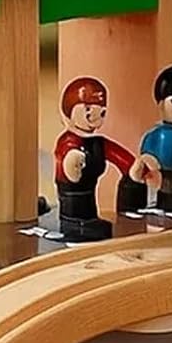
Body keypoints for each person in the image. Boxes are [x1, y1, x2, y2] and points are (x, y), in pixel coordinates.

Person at [53, 77, 138, 242]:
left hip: (91, 211)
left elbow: (120, 156)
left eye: (101, 112)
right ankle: (75, 227)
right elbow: (66, 164)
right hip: (72, 211)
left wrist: (134, 168)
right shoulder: (67, 142)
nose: (94, 116)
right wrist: (72, 162)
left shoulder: (98, 143)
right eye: (87, 109)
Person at [118, 65, 172, 218]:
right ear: (161, 104)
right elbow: (147, 158)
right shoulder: (159, 134)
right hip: (162, 177)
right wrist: (149, 164)